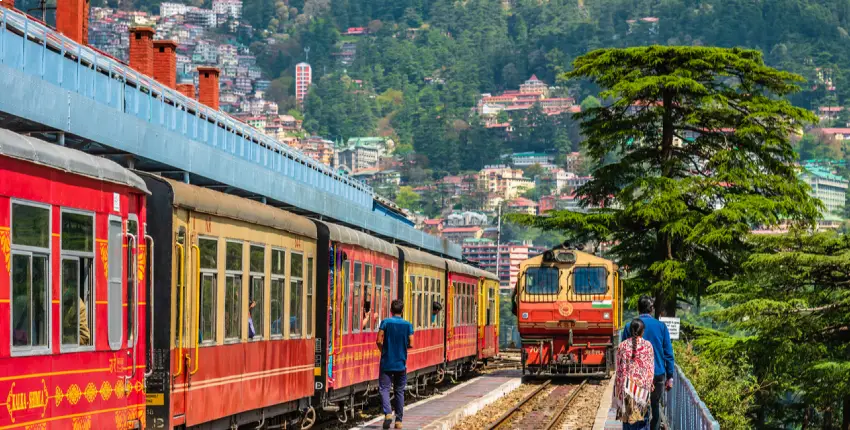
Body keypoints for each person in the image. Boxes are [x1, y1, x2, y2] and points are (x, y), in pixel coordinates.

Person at [621, 296, 675, 430]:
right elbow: (668, 353)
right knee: (655, 405)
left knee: (639, 407)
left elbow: (624, 353)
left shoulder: (629, 326)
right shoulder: (661, 326)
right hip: (658, 374)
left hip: (636, 376)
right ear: (652, 309)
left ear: (638, 308)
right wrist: (670, 376)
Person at [376, 300, 414, 429]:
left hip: (386, 362)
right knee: (399, 391)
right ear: (402, 311)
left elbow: (378, 340)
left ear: (391, 310)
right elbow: (412, 343)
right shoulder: (408, 325)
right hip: (401, 363)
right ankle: (399, 421)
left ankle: (387, 413)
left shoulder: (385, 322)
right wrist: (402, 348)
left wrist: (384, 351)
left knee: (384, 389)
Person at [614, 318, 654, 429]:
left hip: (626, 390)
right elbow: (650, 370)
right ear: (643, 331)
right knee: (642, 423)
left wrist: (618, 392)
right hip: (642, 391)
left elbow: (619, 371)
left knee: (627, 424)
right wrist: (650, 385)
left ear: (630, 330)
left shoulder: (622, 346)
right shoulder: (648, 346)